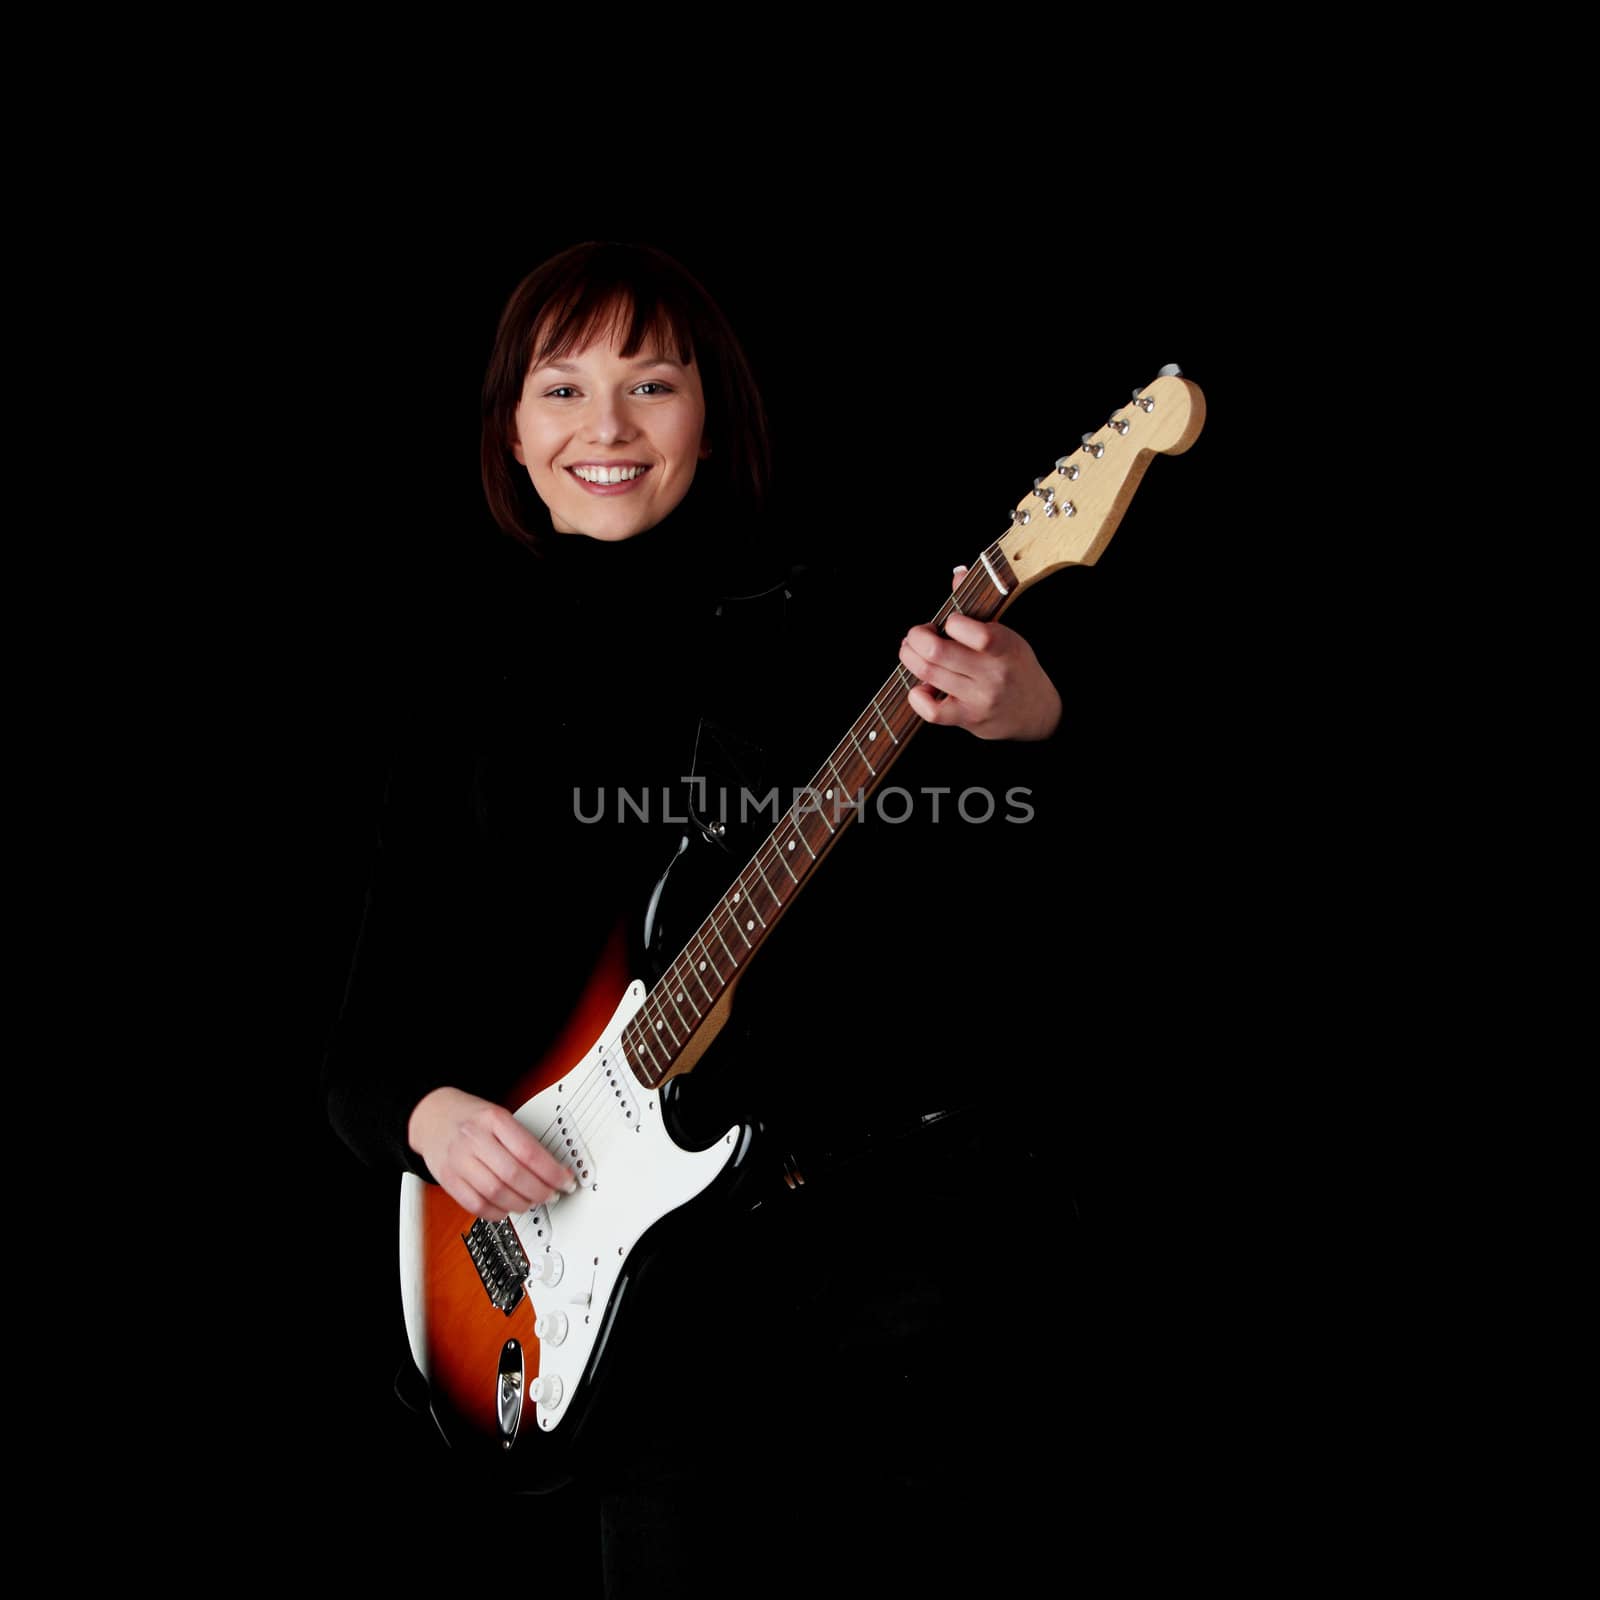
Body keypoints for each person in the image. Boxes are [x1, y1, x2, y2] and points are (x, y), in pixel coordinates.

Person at [323, 240, 1082, 1593]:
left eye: (651, 385)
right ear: (509, 426)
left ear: (711, 413)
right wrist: (428, 1120)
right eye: (561, 389)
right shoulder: (456, 697)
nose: (604, 430)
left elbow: (1023, 898)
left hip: (882, 1273)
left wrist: (1032, 723)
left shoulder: (834, 621)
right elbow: (368, 1041)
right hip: (641, 1315)